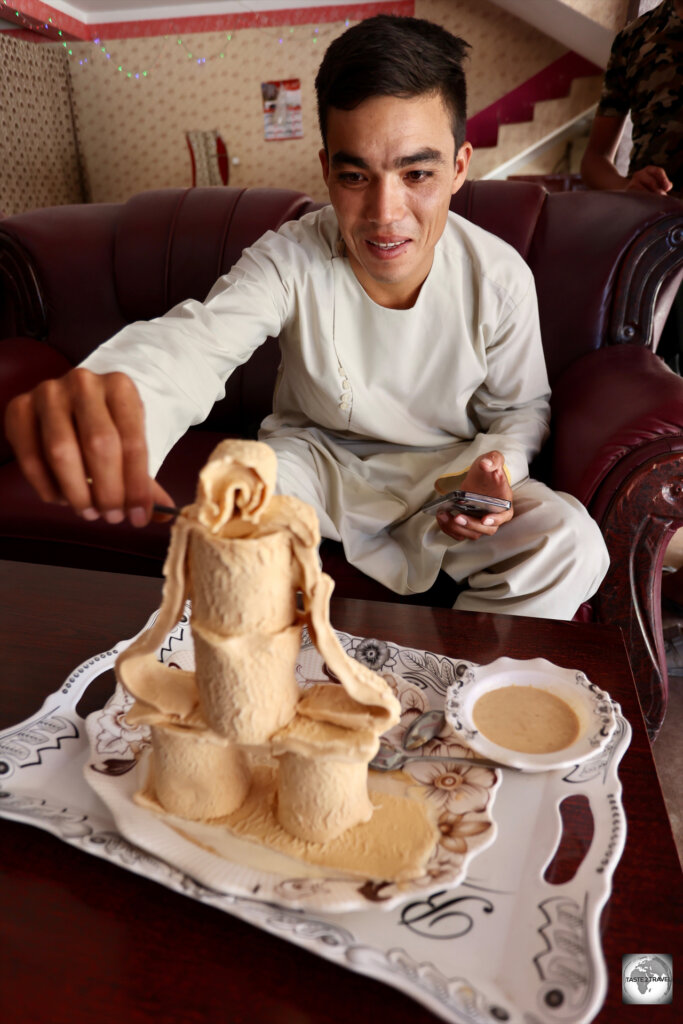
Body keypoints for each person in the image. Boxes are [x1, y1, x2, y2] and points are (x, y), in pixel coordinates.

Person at [4, 14, 608, 620]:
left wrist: (493, 471)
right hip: (317, 466)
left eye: (417, 173)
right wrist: (120, 396)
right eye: (355, 177)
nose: (385, 213)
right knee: (232, 508)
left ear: (458, 167)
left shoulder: (499, 276)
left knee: (570, 544)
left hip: (446, 478)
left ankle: (464, 686)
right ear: (326, 171)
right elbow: (199, 340)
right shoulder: (289, 257)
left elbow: (519, 409)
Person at [580, 0, 682, 369]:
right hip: (656, 242)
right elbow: (593, 161)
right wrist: (626, 189)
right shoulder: (635, 38)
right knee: (653, 373)